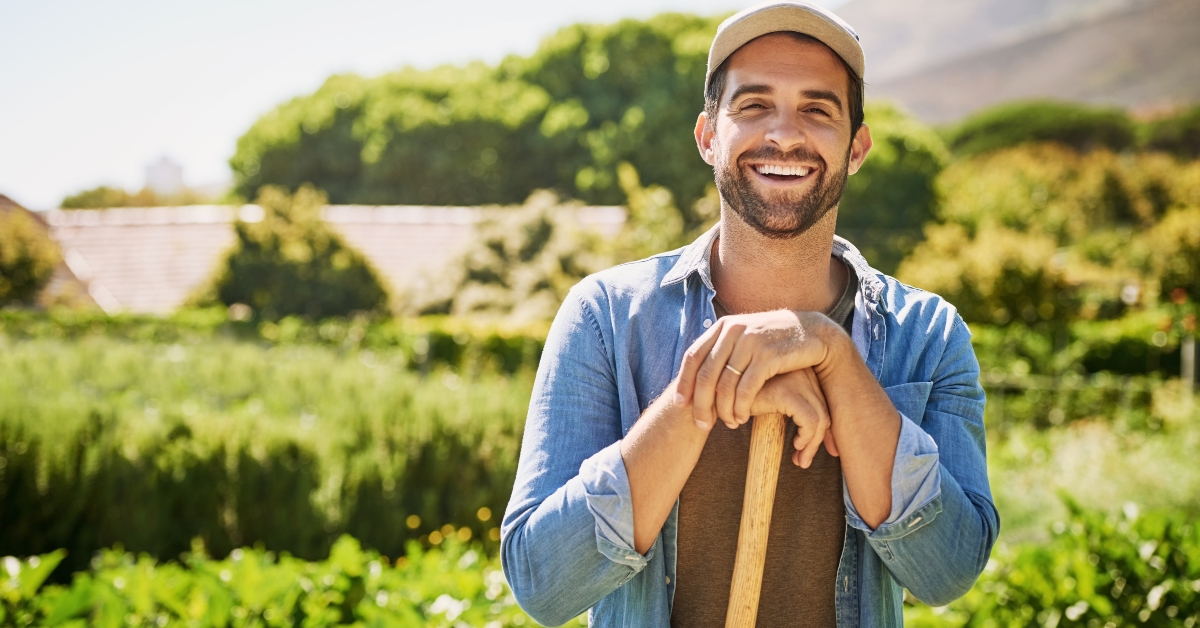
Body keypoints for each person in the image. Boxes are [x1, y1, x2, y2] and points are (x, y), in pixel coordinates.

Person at [500, 1, 999, 626]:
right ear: (709, 137)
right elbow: (542, 584)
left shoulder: (929, 336)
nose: (784, 135)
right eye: (754, 105)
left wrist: (832, 355)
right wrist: (703, 394)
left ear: (857, 148)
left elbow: (949, 571)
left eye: (817, 110)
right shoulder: (605, 317)